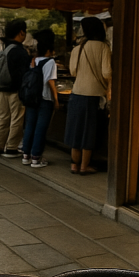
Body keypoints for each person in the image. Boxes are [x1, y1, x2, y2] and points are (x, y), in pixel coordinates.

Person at [64, 16, 111, 175]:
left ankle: (73, 165)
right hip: (94, 96)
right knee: (89, 131)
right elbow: (106, 72)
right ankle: (84, 166)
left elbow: (73, 72)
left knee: (76, 130)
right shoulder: (103, 47)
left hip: (76, 94)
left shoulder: (77, 48)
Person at [0, 18, 31, 158]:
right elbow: (23, 74)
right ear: (21, 32)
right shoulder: (20, 51)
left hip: (3, 88)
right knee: (16, 118)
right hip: (16, 90)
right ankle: (12, 148)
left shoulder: (5, 47)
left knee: (3, 117)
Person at [21, 29, 59, 169]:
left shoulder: (34, 60)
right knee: (40, 128)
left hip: (31, 98)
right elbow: (50, 82)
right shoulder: (50, 62)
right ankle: (36, 158)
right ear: (49, 50)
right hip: (44, 99)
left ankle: (26, 155)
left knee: (30, 125)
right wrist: (56, 99)